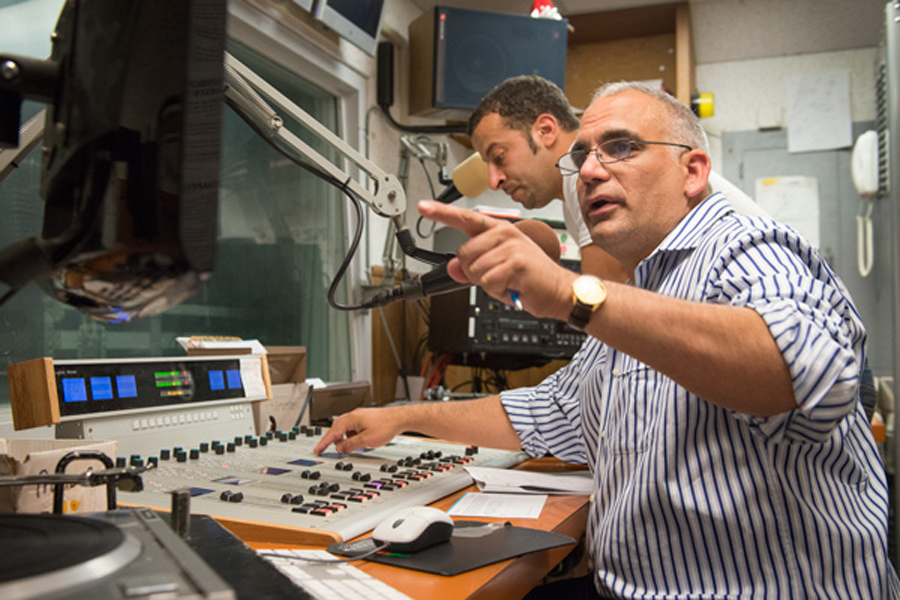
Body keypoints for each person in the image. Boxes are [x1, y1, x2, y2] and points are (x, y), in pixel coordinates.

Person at [317, 81, 899, 598]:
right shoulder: (643, 285)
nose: (591, 171)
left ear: (693, 171)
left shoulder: (747, 246)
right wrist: (402, 418)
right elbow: (546, 410)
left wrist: (568, 293)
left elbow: (793, 372)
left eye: (621, 147)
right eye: (581, 156)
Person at [467, 75, 766, 283]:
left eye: (499, 156)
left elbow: (606, 311)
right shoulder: (579, 198)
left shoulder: (587, 181)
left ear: (545, 130)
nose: (494, 181)